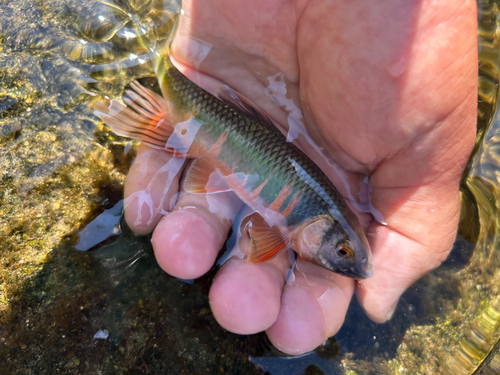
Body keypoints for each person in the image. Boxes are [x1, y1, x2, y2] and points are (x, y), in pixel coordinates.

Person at [122, 0, 477, 355]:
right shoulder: (293, 224)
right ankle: (155, 67)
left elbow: (266, 236)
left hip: (223, 124)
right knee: (183, 134)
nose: (344, 262)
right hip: (213, 122)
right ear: (320, 226)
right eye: (341, 250)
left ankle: (152, 63)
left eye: (343, 253)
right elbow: (265, 239)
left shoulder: (292, 226)